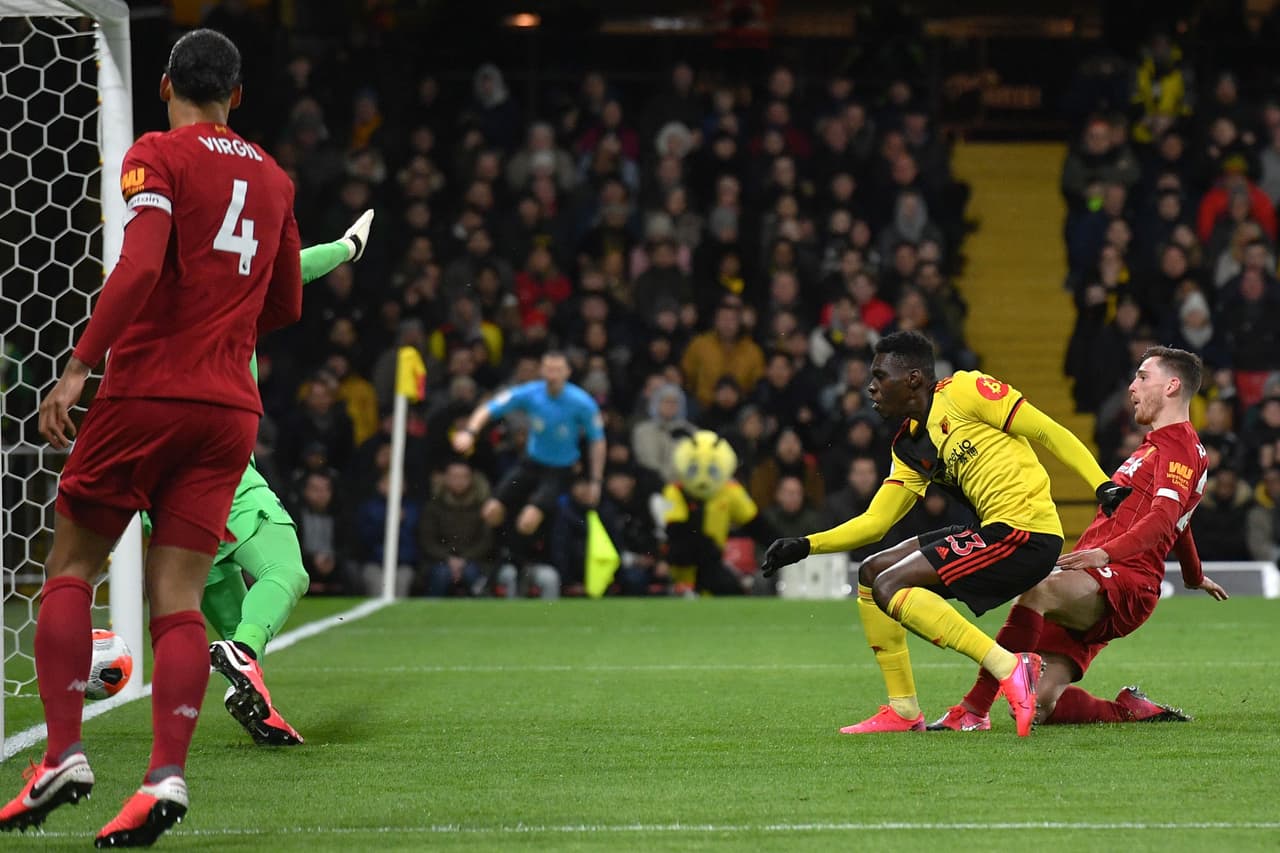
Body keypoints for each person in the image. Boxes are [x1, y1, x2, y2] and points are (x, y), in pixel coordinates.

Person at [0, 30, 302, 846]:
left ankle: (62, 753)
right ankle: (165, 774)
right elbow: (285, 306)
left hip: (147, 390)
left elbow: (137, 267)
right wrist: (221, 315)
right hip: (229, 409)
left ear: (166, 83)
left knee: (68, 566)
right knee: (179, 601)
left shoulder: (156, 155)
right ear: (237, 95)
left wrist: (75, 368)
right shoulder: (274, 178)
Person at [760, 331, 1130, 737]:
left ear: (914, 378)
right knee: (872, 573)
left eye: (881, 376)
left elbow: (1046, 430)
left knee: (891, 584)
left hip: (1026, 532)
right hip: (991, 532)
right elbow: (875, 523)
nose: (871, 387)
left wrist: (1101, 483)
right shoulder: (909, 446)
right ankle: (903, 709)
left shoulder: (967, 390)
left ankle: (1010, 667)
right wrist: (806, 545)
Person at [931, 347, 1229, 731]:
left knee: (1039, 590)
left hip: (1125, 580)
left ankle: (972, 710)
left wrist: (1105, 553)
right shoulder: (1158, 447)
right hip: (1099, 574)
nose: (1132, 387)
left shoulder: (1179, 447)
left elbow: (1163, 520)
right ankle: (1129, 710)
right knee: (1040, 706)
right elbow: (1180, 522)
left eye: (1142, 377)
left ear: (1172, 386)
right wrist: (1193, 575)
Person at [198, 208, 374, 747]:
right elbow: (298, 268)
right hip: (220, 469)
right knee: (287, 571)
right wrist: (349, 247)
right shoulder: (232, 289)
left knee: (230, 621)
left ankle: (257, 703)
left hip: (161, 488)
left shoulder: (152, 304)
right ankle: (245, 654)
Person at [451, 351, 605, 569]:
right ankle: (502, 560)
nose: (552, 375)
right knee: (491, 512)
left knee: (529, 520)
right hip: (531, 463)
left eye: (558, 370)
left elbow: (598, 441)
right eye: (548, 369)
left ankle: (527, 565)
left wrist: (596, 481)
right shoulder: (530, 393)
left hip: (560, 469)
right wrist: (470, 432)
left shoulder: (581, 402)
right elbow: (489, 408)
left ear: (567, 373)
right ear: (542, 371)